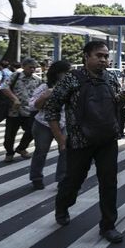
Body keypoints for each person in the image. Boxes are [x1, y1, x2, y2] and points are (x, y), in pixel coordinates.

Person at [46, 41, 125, 243]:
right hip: (79, 142)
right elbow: (51, 108)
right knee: (74, 181)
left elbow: (115, 102)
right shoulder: (71, 79)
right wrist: (60, 138)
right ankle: (62, 205)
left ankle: (108, 225)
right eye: (99, 55)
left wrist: (123, 98)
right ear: (86, 56)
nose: (103, 59)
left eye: (106, 56)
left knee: (109, 183)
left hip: (107, 139)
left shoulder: (111, 77)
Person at [28, 60, 71, 190]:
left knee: (65, 151)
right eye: (66, 72)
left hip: (63, 123)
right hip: (43, 124)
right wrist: (45, 96)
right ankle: (36, 178)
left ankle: (62, 179)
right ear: (58, 73)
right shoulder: (44, 87)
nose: (69, 75)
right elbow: (32, 106)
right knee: (41, 151)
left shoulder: (71, 87)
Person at [0, 58, 41, 162]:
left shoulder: (37, 79)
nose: (32, 70)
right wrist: (15, 99)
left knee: (32, 131)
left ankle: (21, 148)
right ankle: (9, 152)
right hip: (14, 111)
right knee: (10, 135)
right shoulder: (15, 76)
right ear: (23, 67)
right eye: (30, 67)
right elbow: (4, 87)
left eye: (34, 68)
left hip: (28, 111)